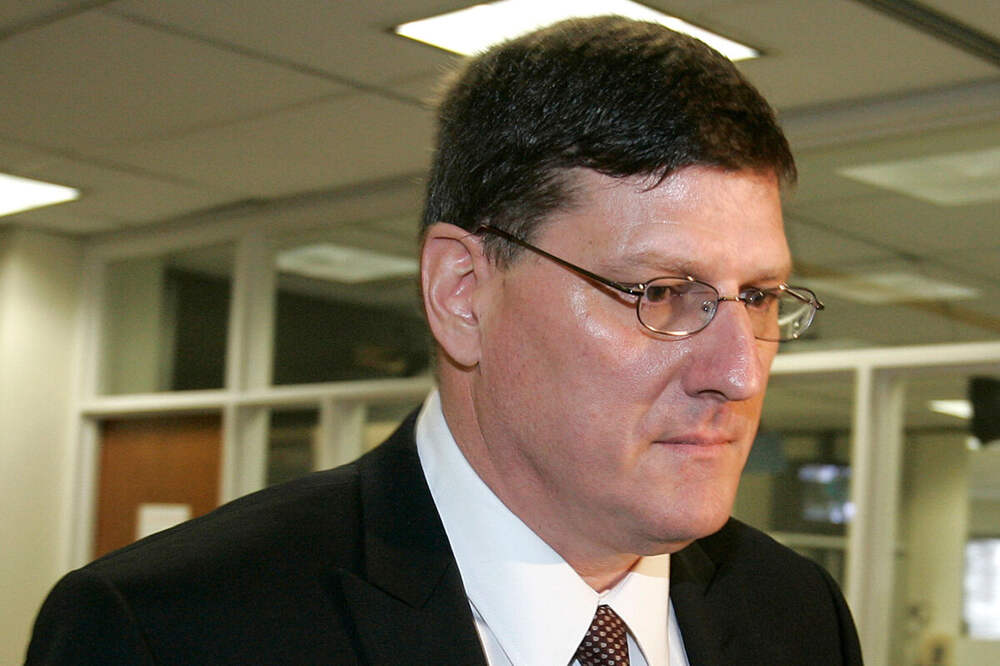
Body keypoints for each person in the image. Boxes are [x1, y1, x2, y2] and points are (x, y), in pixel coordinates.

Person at [26, 16, 862, 665]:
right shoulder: (171, 630)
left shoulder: (797, 615)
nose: (740, 371)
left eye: (759, 297)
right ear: (462, 293)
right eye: (664, 293)